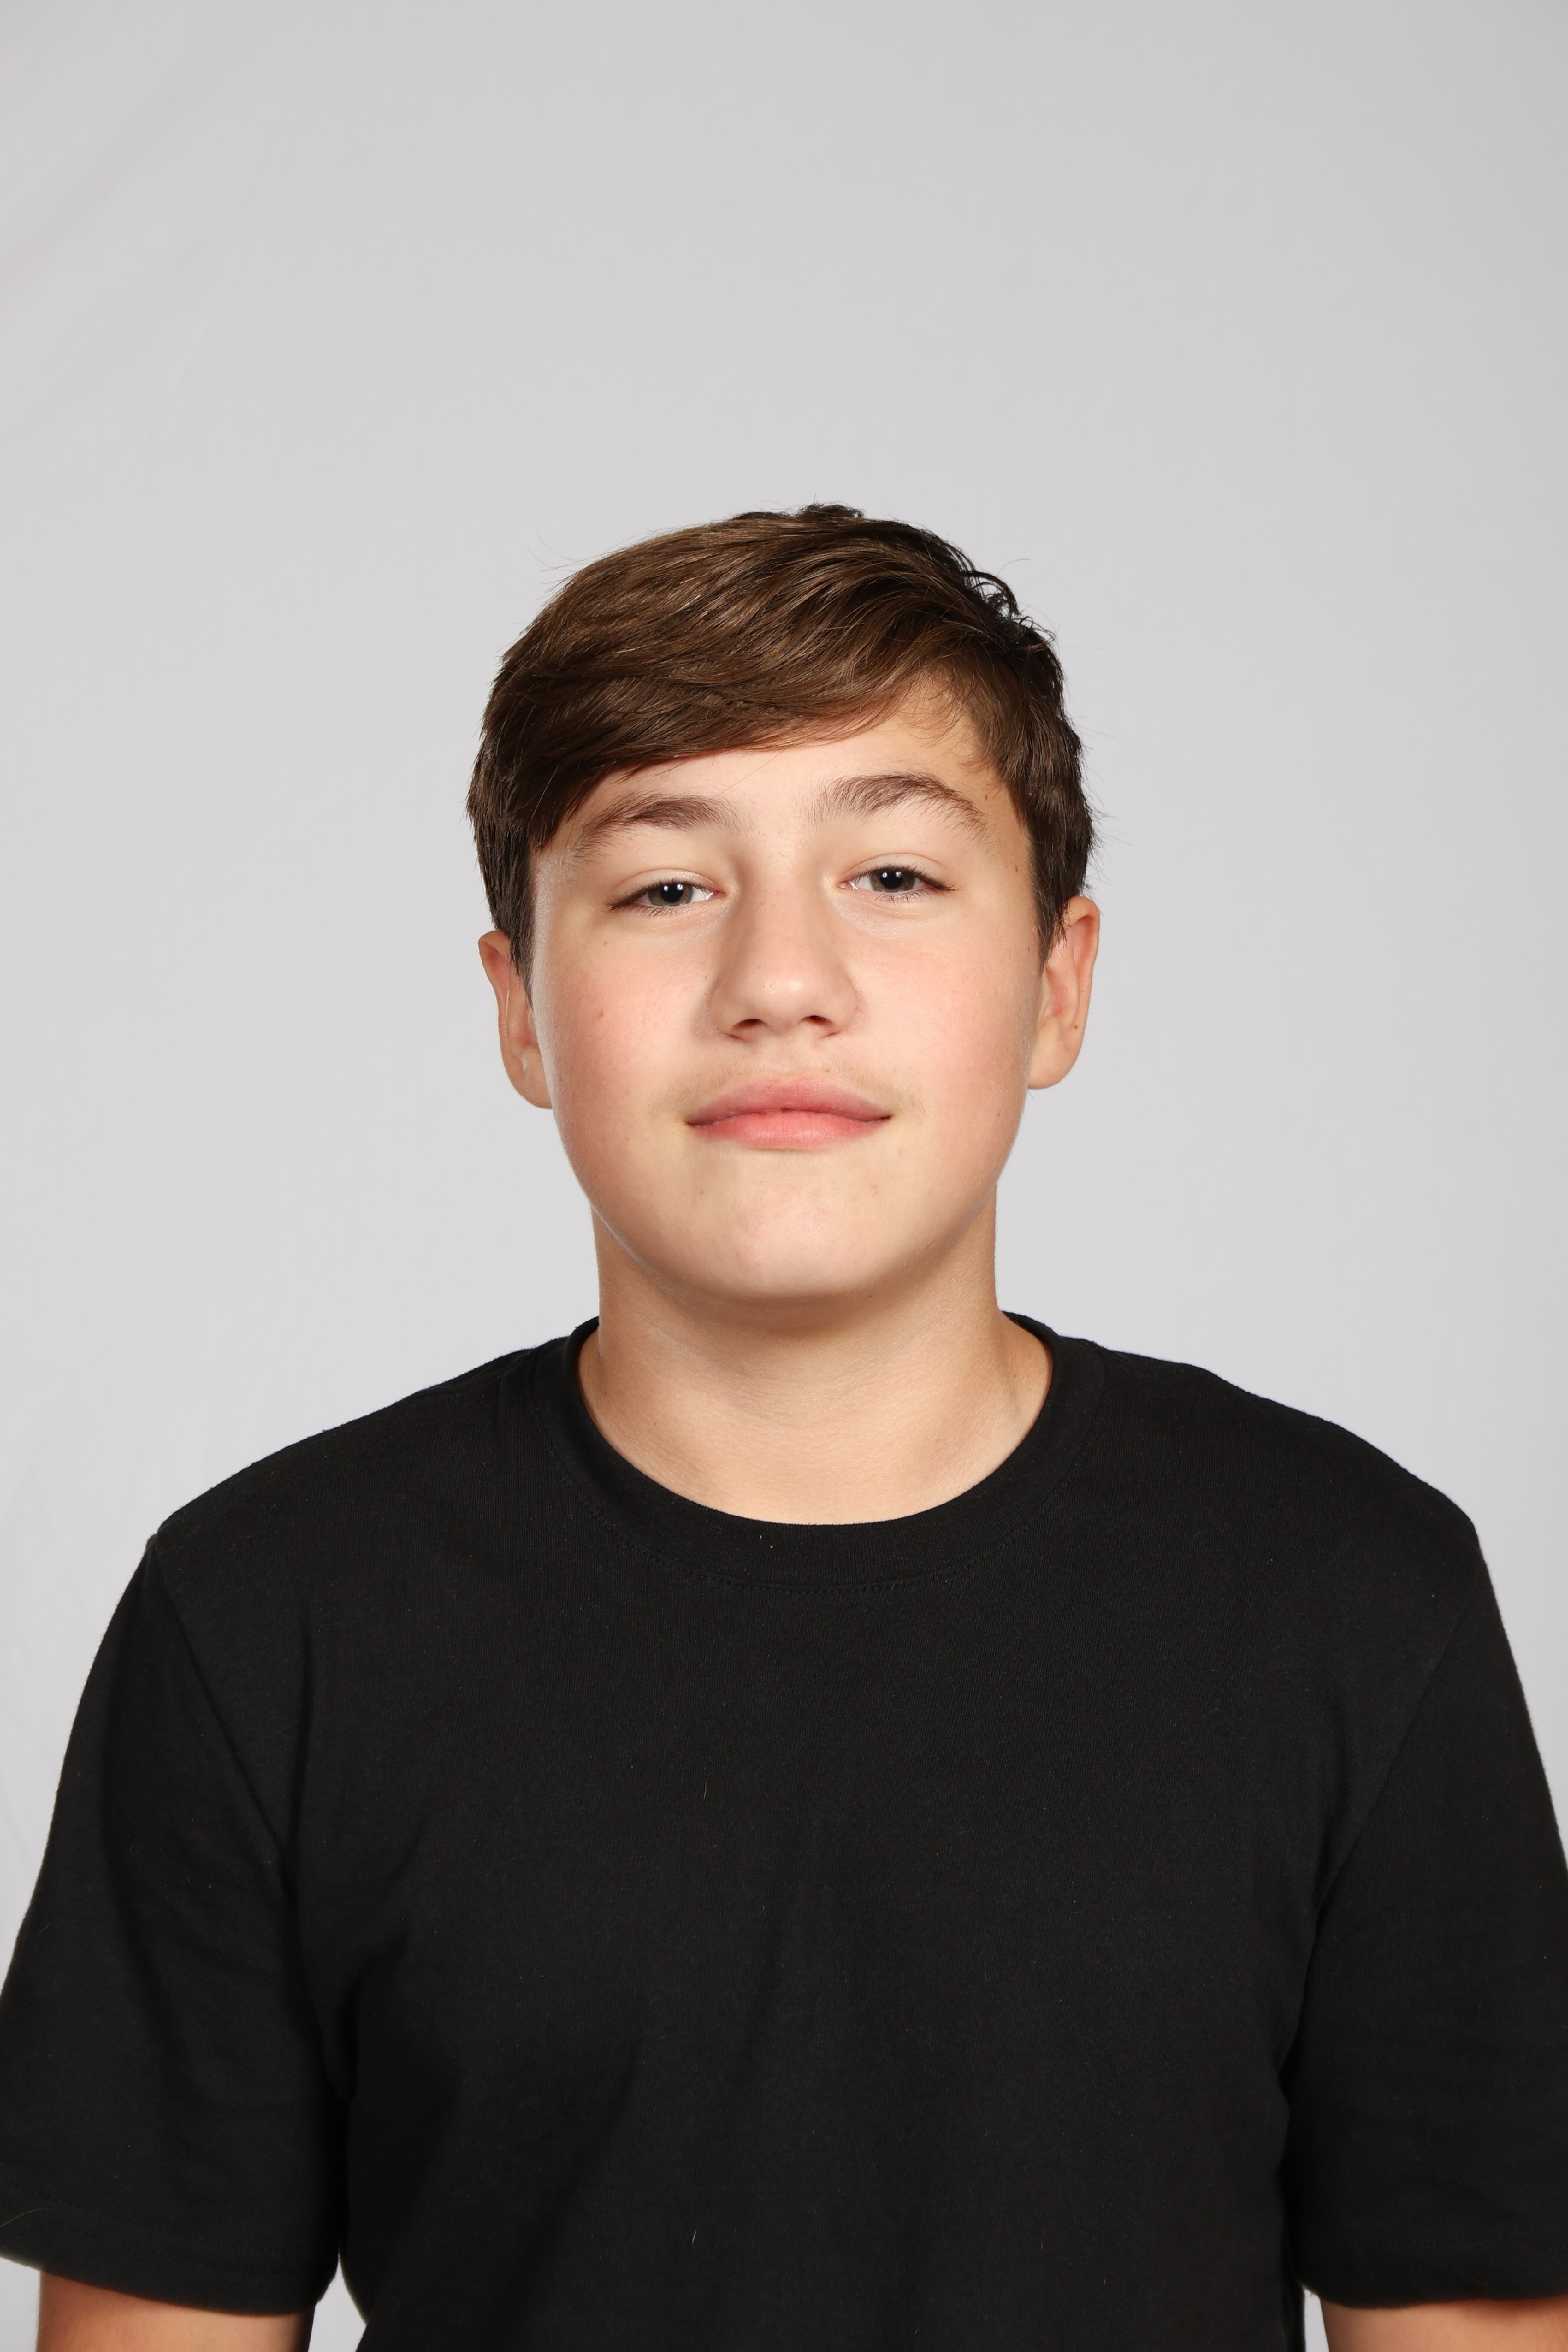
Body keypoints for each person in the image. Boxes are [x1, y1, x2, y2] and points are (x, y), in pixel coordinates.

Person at [1, 506, 1565, 2352]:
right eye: (667, 887)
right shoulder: (267, 1622)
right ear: (521, 1010)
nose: (780, 979)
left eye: (892, 873)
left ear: (1058, 983)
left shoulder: (1351, 1599)